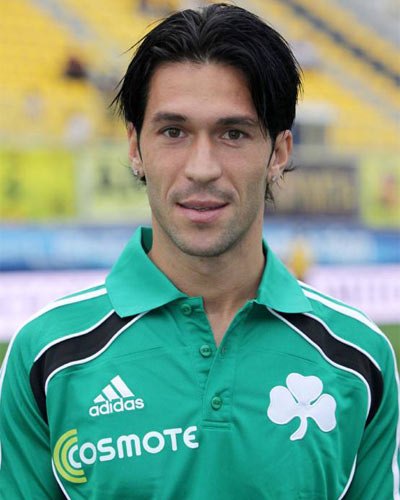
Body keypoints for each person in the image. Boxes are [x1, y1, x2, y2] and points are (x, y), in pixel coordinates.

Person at [0, 4, 398, 499]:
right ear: (134, 148)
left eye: (233, 133)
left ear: (279, 153)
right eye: (174, 132)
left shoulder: (359, 358)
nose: (202, 167)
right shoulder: (47, 355)